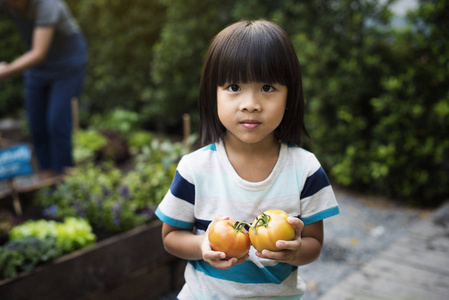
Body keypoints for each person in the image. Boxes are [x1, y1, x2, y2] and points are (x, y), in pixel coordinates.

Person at [155, 20, 340, 299]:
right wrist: (203, 245)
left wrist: (294, 252)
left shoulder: (305, 170)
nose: (250, 103)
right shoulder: (195, 169)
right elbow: (170, 237)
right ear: (212, 94)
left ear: (290, 95)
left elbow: (314, 243)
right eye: (233, 87)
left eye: (267, 87)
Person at [0, 0, 87, 177]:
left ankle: (63, 178)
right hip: (38, 70)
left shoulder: (48, 4)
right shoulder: (6, 3)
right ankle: (46, 175)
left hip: (67, 65)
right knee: (36, 124)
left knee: (57, 122)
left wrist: (7, 70)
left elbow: (39, 52)